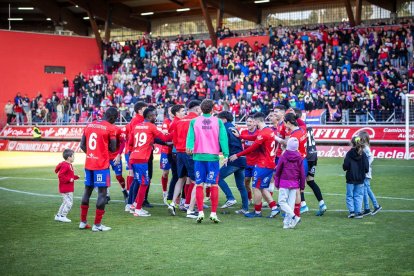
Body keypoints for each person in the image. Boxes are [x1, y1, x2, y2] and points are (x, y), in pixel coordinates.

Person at [230, 112, 280, 218]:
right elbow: (254, 137)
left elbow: (252, 147)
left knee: (256, 187)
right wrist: (240, 136)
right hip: (269, 163)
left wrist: (237, 155)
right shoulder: (268, 130)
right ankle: (274, 208)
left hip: (263, 164)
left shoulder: (263, 133)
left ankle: (257, 212)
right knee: (262, 187)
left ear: (257, 121)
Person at [186, 99, 229, 223]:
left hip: (199, 157)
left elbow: (190, 137)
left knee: (199, 184)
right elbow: (223, 139)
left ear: (201, 109)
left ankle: (200, 212)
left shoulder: (194, 121)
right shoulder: (218, 122)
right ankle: (213, 213)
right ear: (212, 109)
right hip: (212, 158)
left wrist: (189, 147)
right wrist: (226, 154)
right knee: (214, 184)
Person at [79, 107, 118, 232]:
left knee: (87, 191)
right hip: (101, 165)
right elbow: (113, 148)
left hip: (89, 163)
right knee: (102, 193)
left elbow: (82, 145)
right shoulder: (110, 128)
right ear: (112, 117)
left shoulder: (89, 125)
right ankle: (97, 225)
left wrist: (91, 154)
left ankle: (83, 222)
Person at [128, 108, 171, 217]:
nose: (155, 117)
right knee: (144, 183)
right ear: (149, 116)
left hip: (133, 156)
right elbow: (164, 138)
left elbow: (130, 142)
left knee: (139, 181)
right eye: (154, 115)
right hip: (142, 159)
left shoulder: (137, 126)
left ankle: (134, 204)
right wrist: (176, 133)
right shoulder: (151, 126)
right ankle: (138, 209)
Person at [167, 100, 201, 216]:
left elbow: (174, 140)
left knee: (181, 178)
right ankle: (190, 209)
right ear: (197, 110)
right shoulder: (196, 120)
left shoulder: (179, 121)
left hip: (179, 153)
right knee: (197, 181)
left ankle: (173, 203)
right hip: (190, 153)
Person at [294, 108, 327, 216]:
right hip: (314, 155)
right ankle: (322, 204)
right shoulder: (308, 125)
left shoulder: (300, 127)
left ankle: (303, 205)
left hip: (306, 156)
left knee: (299, 182)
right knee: (310, 180)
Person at [217, 111, 249, 214]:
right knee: (241, 185)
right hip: (241, 158)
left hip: (234, 158)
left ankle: (230, 198)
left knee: (217, 177)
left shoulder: (224, 128)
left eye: (219, 119)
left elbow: (224, 143)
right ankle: (245, 208)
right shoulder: (234, 128)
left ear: (224, 119)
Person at [274, 137, 305, 229]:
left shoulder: (284, 155)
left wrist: (276, 183)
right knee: (290, 204)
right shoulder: (300, 157)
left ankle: (294, 217)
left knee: (282, 202)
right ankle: (287, 223)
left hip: (284, 182)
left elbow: (278, 169)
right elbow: (302, 173)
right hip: (295, 183)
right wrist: (302, 185)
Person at [281, 112, 307, 218]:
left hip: (296, 163)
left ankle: (295, 214)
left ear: (288, 122)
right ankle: (295, 213)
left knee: (295, 191)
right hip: (303, 160)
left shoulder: (294, 135)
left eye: (284, 122)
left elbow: (290, 151)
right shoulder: (302, 130)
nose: (283, 125)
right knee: (297, 190)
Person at [342, 136, 369, 219]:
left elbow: (345, 166)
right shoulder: (363, 154)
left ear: (352, 143)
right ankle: (358, 212)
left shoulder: (349, 154)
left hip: (350, 178)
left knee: (350, 195)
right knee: (359, 195)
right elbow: (366, 168)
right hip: (360, 179)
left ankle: (352, 212)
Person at [359, 131, 382, 216]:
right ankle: (367, 208)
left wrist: (366, 167)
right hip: (365, 171)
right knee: (365, 190)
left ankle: (376, 206)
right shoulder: (364, 147)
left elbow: (371, 157)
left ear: (363, 138)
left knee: (367, 189)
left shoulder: (365, 147)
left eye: (360, 137)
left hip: (366, 172)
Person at [54, 149, 80, 223]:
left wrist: (76, 177)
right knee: (69, 203)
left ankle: (58, 216)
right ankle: (63, 216)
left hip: (66, 188)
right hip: (66, 188)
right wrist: (69, 180)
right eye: (73, 156)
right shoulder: (66, 165)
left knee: (65, 202)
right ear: (69, 157)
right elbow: (61, 175)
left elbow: (69, 176)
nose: (74, 157)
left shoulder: (68, 164)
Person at [239, 116, 259, 205]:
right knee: (246, 181)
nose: (248, 123)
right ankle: (249, 198)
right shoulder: (243, 132)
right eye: (247, 121)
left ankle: (258, 201)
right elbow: (242, 141)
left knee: (256, 183)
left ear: (255, 123)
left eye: (250, 121)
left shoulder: (259, 133)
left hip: (257, 162)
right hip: (247, 161)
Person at [108, 125, 128, 203]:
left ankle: (124, 191)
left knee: (119, 176)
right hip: (105, 157)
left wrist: (119, 154)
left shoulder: (117, 129)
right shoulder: (103, 128)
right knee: (105, 176)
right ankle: (106, 195)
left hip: (115, 157)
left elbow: (123, 142)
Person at [160, 106, 173, 204]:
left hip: (176, 151)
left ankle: (174, 195)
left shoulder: (179, 120)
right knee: (165, 172)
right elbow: (165, 134)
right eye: (169, 110)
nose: (171, 112)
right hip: (166, 150)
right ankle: (165, 192)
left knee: (177, 174)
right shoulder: (166, 122)